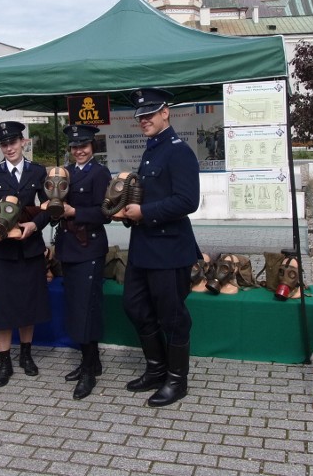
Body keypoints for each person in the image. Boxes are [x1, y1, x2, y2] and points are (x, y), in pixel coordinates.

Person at [121, 88, 200, 407]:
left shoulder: (179, 151)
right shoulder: (151, 150)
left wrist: (145, 213)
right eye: (140, 116)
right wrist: (128, 212)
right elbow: (148, 195)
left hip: (169, 250)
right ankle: (156, 369)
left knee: (173, 316)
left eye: (149, 115)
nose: (143, 120)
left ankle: (177, 381)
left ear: (165, 112)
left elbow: (187, 201)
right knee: (134, 306)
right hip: (143, 248)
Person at [0, 121, 51, 388]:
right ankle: (4, 361)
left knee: (28, 303)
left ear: (23, 143)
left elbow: (48, 207)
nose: (9, 148)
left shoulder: (37, 171)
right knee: (2, 305)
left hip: (28, 247)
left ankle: (26, 356)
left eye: (13, 142)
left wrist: (36, 224)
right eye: (4, 144)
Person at [55, 124, 112, 400]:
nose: (79, 151)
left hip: (89, 247)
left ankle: (89, 370)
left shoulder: (100, 173)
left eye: (85, 146)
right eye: (75, 147)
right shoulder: (64, 173)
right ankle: (92, 361)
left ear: (93, 146)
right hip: (68, 247)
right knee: (76, 307)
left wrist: (74, 211)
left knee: (87, 308)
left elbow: (106, 212)